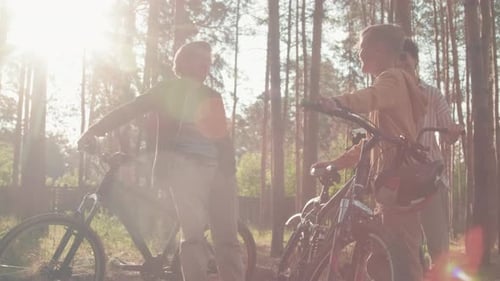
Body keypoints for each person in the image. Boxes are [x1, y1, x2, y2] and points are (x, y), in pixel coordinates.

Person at [78, 41, 244, 281]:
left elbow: (223, 138)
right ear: (184, 62)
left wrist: (229, 168)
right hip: (185, 171)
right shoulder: (165, 91)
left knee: (228, 240)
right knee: (193, 238)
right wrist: (94, 130)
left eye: (208, 62)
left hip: (219, 173)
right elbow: (130, 110)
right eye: (200, 60)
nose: (205, 66)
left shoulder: (212, 95)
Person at [312, 24, 428, 280]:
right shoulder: (396, 86)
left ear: (379, 49)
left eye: (362, 48)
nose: (359, 53)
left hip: (398, 182)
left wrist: (338, 102)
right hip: (392, 184)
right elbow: (370, 142)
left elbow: (371, 96)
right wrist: (337, 163)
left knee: (403, 261)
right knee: (382, 261)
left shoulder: (392, 78)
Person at [399, 38, 463, 265]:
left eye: (405, 58)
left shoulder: (433, 93)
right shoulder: (393, 94)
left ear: (415, 60)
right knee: (405, 253)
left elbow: (447, 133)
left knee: (439, 250)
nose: (401, 63)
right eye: (397, 59)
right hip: (401, 182)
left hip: (430, 181)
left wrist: (453, 131)